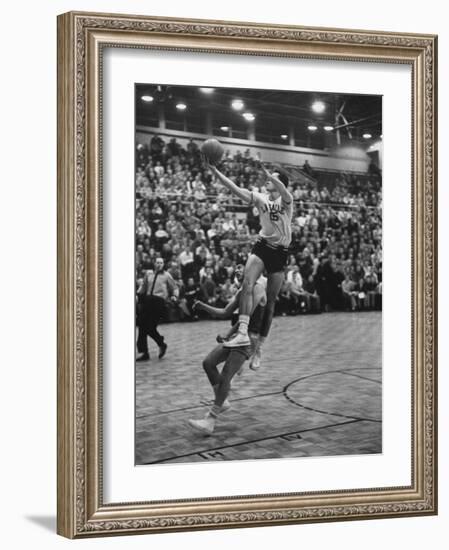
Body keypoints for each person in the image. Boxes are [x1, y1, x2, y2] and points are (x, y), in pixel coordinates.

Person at [206, 154, 293, 351]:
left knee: (270, 302)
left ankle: (258, 348)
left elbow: (283, 190)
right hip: (262, 245)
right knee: (247, 282)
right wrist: (214, 170)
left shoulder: (287, 201)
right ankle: (242, 332)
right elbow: (234, 188)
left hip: (280, 251)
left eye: (274, 178)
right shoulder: (260, 198)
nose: (268, 180)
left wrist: (271, 176)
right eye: (269, 178)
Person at [188, 265, 267, 435]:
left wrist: (227, 334)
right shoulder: (242, 292)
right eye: (236, 269)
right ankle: (221, 400)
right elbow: (225, 312)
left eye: (242, 268)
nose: (237, 271)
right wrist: (203, 306)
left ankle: (210, 420)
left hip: (248, 339)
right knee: (208, 363)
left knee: (225, 376)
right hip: (237, 337)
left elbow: (248, 317)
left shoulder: (258, 288)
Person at [136, 257, 179, 361]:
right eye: (157, 262)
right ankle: (144, 352)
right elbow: (143, 286)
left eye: (161, 262)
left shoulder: (167, 275)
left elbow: (175, 288)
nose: (159, 264)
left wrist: (175, 296)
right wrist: (137, 294)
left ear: (163, 264)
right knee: (142, 326)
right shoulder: (148, 274)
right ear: (154, 263)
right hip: (147, 301)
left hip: (158, 302)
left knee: (150, 327)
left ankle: (161, 343)